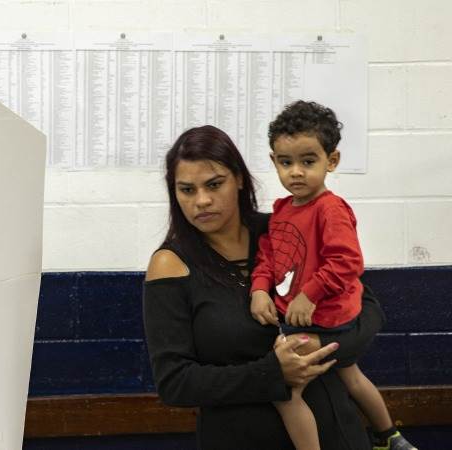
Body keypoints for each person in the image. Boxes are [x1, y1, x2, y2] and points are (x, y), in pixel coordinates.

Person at [143, 124, 385, 449]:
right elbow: (175, 383)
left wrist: (319, 341)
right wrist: (272, 373)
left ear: (239, 179)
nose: (201, 200)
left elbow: (367, 312)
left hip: (339, 432)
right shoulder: (170, 264)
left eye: (214, 184)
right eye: (187, 190)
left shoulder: (281, 228)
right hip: (243, 437)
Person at [249, 100, 417, 450]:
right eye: (285, 162)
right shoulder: (280, 213)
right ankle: (390, 437)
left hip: (327, 318)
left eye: (308, 162)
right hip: (305, 316)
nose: (296, 172)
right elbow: (268, 258)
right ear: (273, 162)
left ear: (332, 161)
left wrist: (309, 294)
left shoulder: (330, 208)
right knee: (351, 376)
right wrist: (260, 289)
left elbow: (347, 261)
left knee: (283, 387)